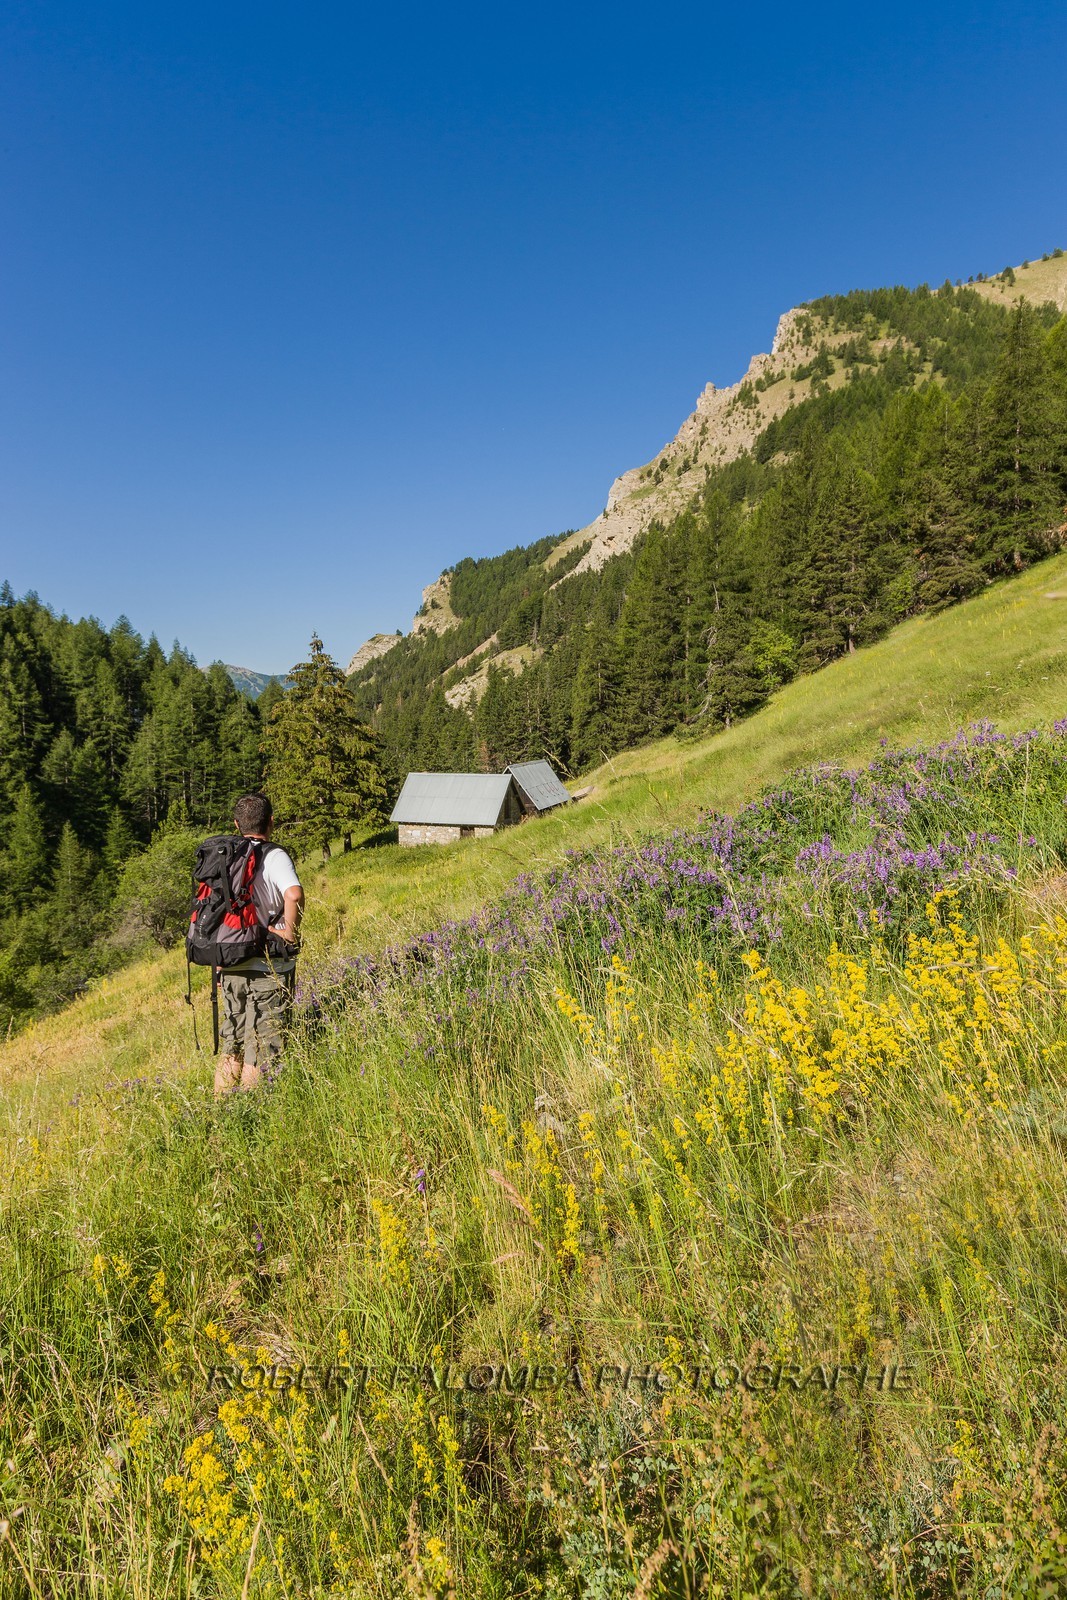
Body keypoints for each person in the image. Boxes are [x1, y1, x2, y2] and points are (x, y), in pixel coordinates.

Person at [215, 792, 304, 1096]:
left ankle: (221, 1113)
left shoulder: (224, 857)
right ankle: (252, 1113)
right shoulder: (274, 855)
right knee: (262, 1046)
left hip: (229, 962)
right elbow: (293, 894)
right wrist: (289, 933)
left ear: (236, 823)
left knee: (233, 1044)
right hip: (268, 963)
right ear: (271, 821)